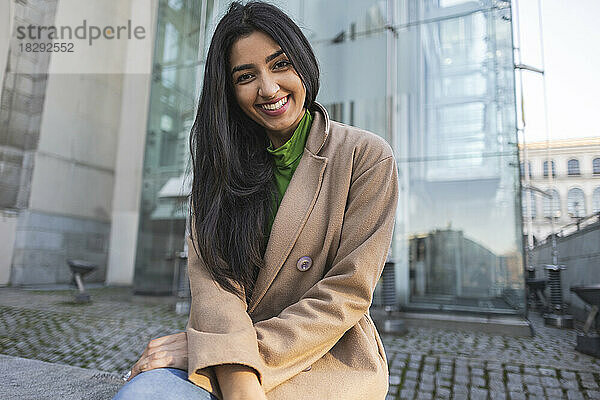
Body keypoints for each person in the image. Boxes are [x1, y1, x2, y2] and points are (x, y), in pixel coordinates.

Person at [112, 1, 398, 399]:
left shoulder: (365, 156)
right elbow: (215, 285)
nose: (268, 88)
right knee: (142, 394)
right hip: (227, 350)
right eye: (246, 76)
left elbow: (347, 292)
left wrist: (222, 354)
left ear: (303, 63)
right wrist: (232, 366)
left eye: (280, 64)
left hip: (323, 356)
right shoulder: (220, 168)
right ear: (229, 91)